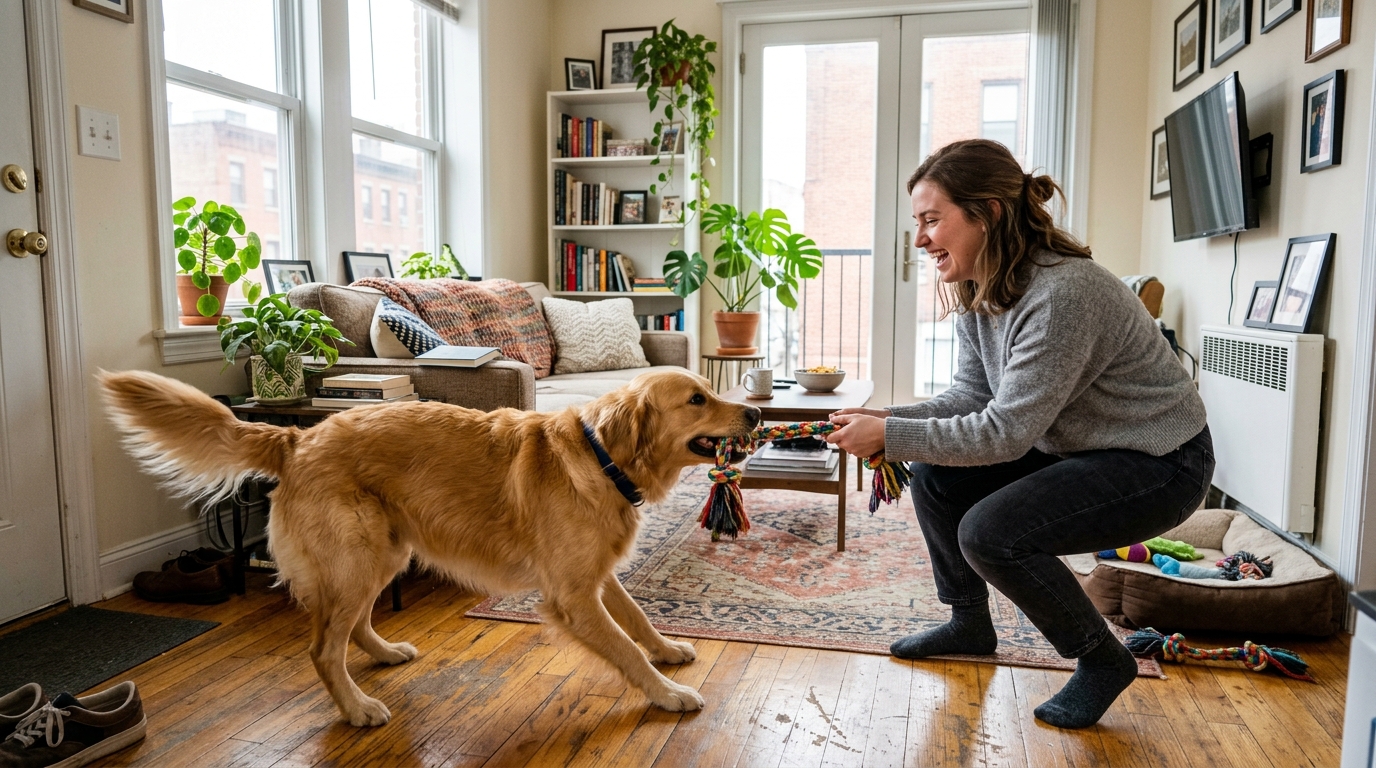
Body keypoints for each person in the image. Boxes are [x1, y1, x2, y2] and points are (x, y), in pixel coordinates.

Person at [825, 139, 1213, 729]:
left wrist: (891, 435)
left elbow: (1004, 433)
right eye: (918, 222)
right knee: (935, 473)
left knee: (991, 533)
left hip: (1159, 461)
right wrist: (886, 421)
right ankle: (968, 623)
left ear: (989, 213)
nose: (921, 239)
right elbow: (973, 399)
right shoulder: (986, 288)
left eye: (933, 220)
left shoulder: (1063, 293)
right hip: (1075, 447)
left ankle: (1101, 660)